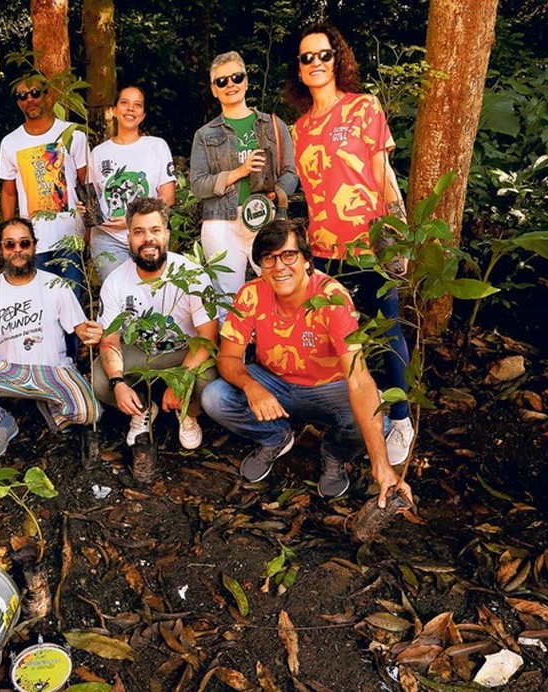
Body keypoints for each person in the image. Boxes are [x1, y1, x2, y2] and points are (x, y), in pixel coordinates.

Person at [201, 221, 412, 506]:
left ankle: (335, 455)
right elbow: (228, 357)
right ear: (260, 266)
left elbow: (359, 378)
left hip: (327, 387)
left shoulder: (331, 298)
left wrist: (381, 466)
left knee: (368, 419)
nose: (279, 267)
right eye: (269, 258)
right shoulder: (251, 294)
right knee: (215, 397)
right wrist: (252, 387)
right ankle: (275, 437)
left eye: (289, 255)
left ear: (307, 260)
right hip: (272, 380)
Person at [284, 23, 415, 466]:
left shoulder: (364, 107)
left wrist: (397, 234)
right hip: (323, 250)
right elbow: (307, 189)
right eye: (307, 58)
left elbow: (383, 175)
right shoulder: (298, 130)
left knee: (388, 328)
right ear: (299, 71)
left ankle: (400, 417)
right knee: (338, 336)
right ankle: (349, 415)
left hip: (370, 244)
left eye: (324, 55)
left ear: (337, 60)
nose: (316, 63)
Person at [0, 218, 103, 467]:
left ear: (34, 247)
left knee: (90, 412)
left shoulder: (56, 285)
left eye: (24, 243)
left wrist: (94, 333)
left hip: (53, 369)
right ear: (1, 249)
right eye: (10, 244)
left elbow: (82, 330)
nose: (17, 249)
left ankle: (52, 408)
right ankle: (2, 422)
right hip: (8, 370)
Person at [95, 197, 218, 450]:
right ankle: (142, 408)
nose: (147, 239)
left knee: (208, 383)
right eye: (139, 232)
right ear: (129, 237)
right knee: (100, 379)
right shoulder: (116, 282)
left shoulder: (192, 275)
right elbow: (109, 340)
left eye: (155, 230)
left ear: (167, 235)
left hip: (184, 349)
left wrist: (180, 381)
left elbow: (208, 336)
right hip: (141, 349)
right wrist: (118, 383)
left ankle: (188, 412)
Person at [190, 51, 298, 300]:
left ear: (247, 81)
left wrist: (278, 192)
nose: (231, 85)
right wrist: (239, 172)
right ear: (214, 89)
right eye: (222, 81)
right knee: (227, 300)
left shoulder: (273, 125)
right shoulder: (204, 135)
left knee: (279, 291)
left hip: (267, 217)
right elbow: (196, 184)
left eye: (236, 77)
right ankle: (232, 339)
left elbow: (291, 172)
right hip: (221, 223)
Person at [0, 77, 88, 297]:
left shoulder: (73, 134)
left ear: (49, 95)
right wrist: (7, 237)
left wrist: (90, 230)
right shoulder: (10, 142)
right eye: (23, 96)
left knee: (73, 302)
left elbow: (86, 184)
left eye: (36, 93)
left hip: (71, 236)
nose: (30, 99)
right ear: (18, 102)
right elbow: (9, 193)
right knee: (40, 304)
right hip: (32, 241)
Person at [88, 85, 177, 281]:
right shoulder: (98, 153)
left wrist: (132, 220)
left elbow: (168, 197)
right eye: (124, 103)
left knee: (151, 291)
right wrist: (85, 209)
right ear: (114, 110)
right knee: (119, 297)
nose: (130, 109)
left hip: (148, 235)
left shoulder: (157, 146)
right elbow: (93, 199)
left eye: (137, 105)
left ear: (143, 115)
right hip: (107, 238)